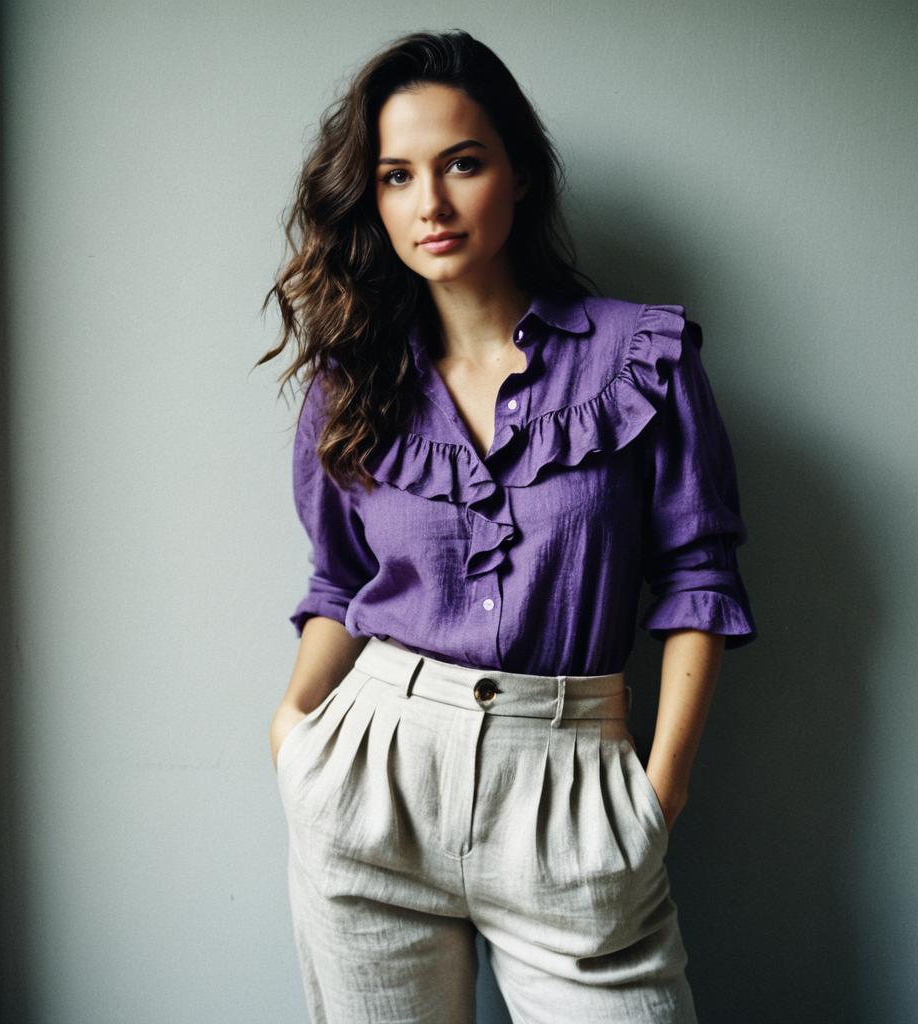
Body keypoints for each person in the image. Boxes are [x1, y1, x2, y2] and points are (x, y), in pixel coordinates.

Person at [257, 28, 757, 1024]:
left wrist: (658, 798)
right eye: (397, 176)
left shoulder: (640, 356)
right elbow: (337, 586)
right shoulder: (351, 386)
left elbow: (698, 578)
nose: (429, 204)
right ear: (374, 199)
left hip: (572, 792)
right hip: (372, 781)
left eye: (462, 163)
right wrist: (293, 730)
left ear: (518, 174)